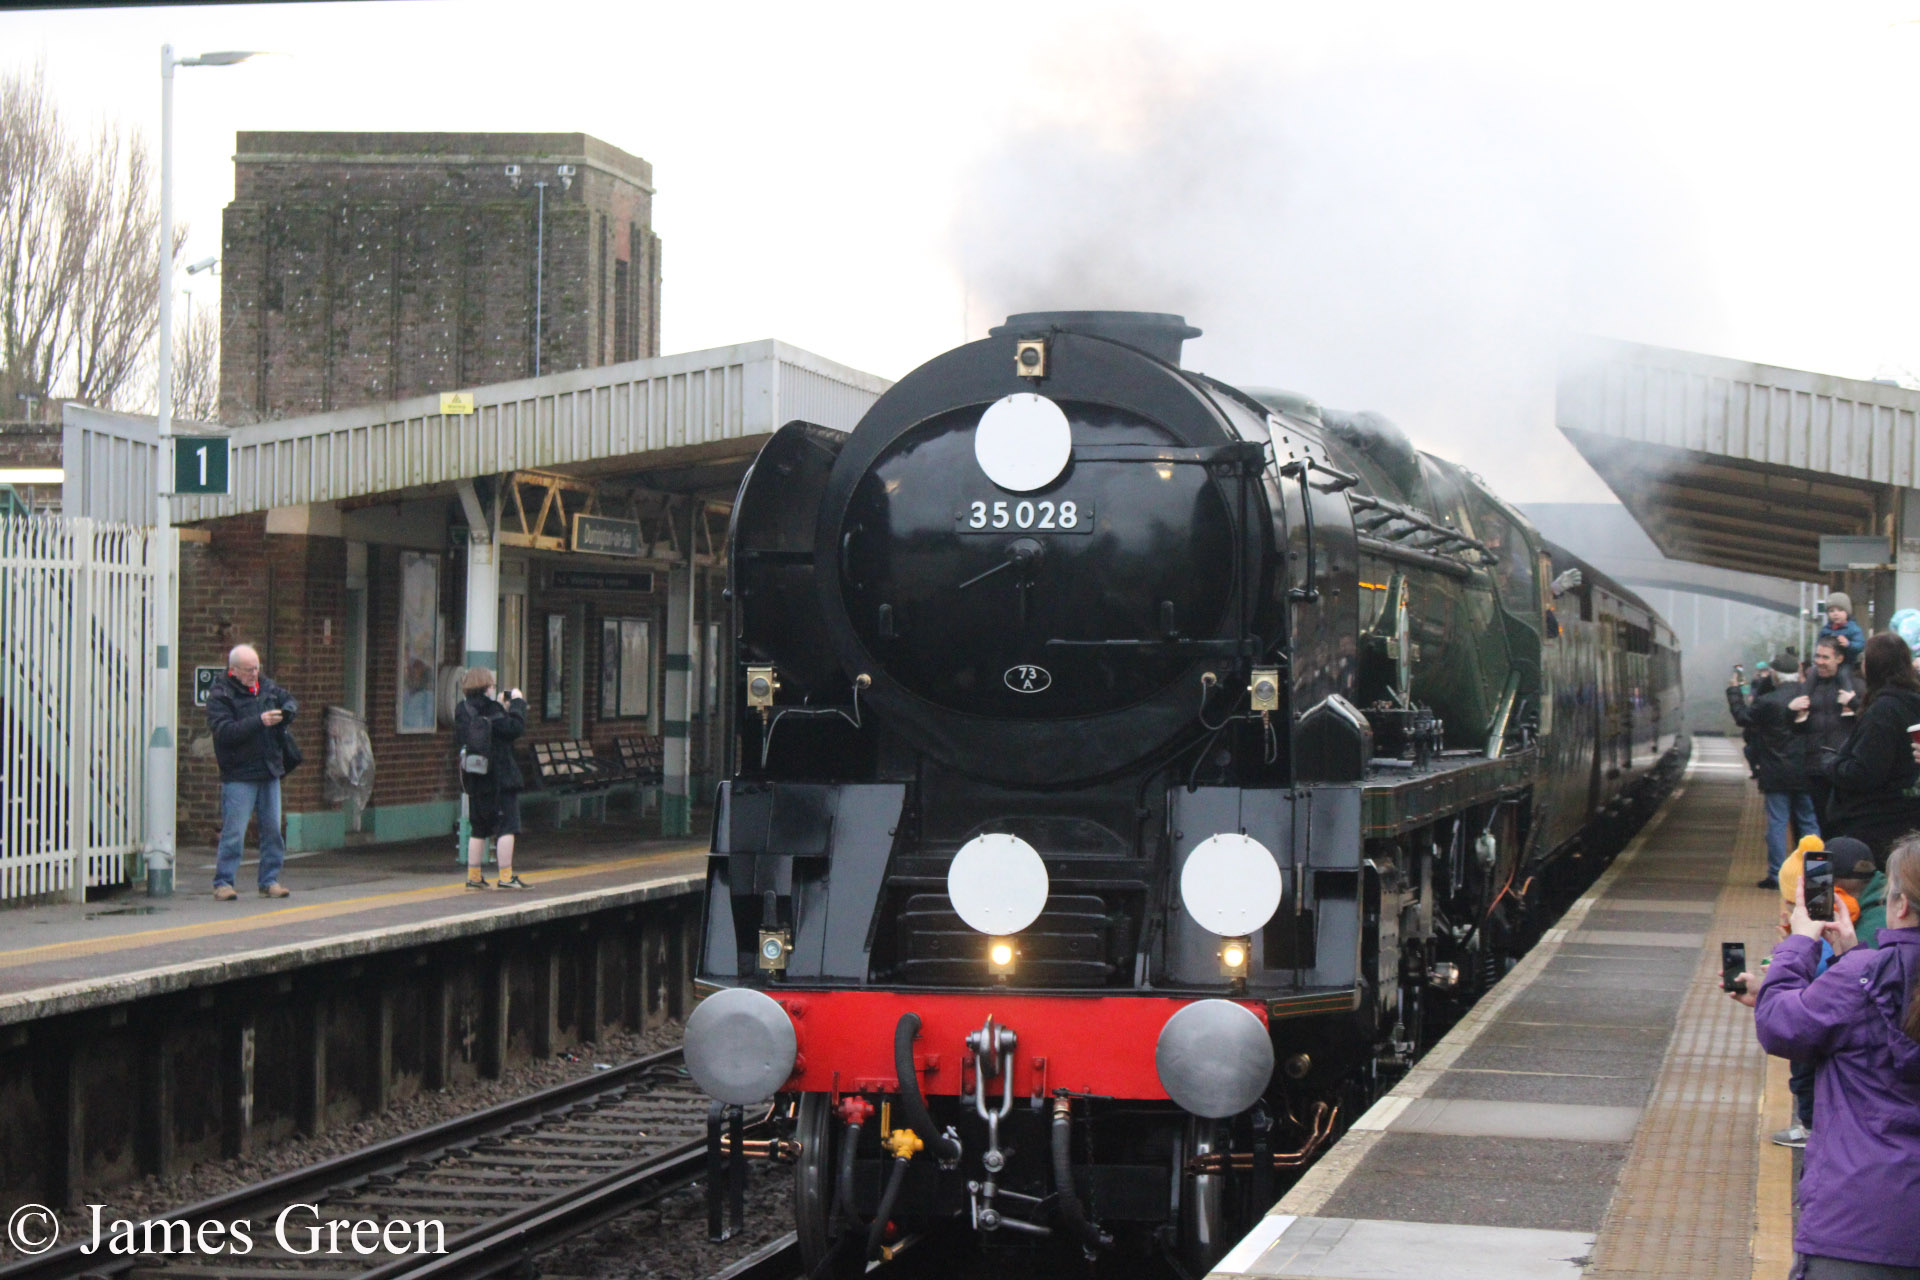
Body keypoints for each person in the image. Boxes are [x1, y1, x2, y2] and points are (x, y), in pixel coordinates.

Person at [1734, 840, 1920, 1278]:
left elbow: (1781, 1025)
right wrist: (1850, 954)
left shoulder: (1863, 977)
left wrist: (1800, 941)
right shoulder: (1864, 971)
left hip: (1859, 1225)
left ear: (1901, 906)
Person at [203, 643, 299, 900]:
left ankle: (269, 880)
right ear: (233, 670)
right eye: (248, 670)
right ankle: (223, 882)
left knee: (273, 829)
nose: (254, 674)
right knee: (234, 831)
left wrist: (287, 712)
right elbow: (224, 732)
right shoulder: (221, 695)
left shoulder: (266, 686)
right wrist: (259, 721)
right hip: (239, 773)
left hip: (268, 768)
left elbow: (288, 699)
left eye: (256, 668)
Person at [1825, 632, 1920, 868]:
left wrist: (1833, 763)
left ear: (1874, 665)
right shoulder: (1911, 702)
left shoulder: (1883, 711)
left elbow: (1865, 772)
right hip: (1906, 819)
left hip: (1874, 826)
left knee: (1859, 886)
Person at [1730, 651, 1820, 889]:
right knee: (1809, 822)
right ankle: (1817, 877)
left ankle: (1777, 874)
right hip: (1805, 769)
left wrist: (1734, 691)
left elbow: (1742, 717)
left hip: (1776, 770)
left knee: (1778, 823)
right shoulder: (1809, 696)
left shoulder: (1768, 701)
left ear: (1775, 675)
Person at [456, 667, 529, 890]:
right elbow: (514, 729)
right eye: (492, 685)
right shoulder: (491, 708)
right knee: (507, 826)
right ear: (486, 686)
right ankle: (506, 876)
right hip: (500, 778)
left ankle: (474, 876)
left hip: (475, 776)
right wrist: (517, 704)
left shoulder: (463, 709)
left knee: (478, 827)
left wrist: (500, 708)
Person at [1796, 638, 1861, 825]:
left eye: (1825, 657)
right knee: (1821, 820)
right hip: (1815, 766)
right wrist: (1791, 713)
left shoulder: (1855, 687)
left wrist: (1854, 703)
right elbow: (1795, 728)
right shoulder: (1808, 688)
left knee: (1843, 820)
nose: (1819, 662)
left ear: (1839, 659)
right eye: (1817, 656)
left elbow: (1869, 720)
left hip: (1843, 766)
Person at [1818, 592, 1867, 669]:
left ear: (1847, 612)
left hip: (1846, 663)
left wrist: (1849, 644)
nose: (1835, 614)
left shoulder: (1853, 629)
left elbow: (1860, 645)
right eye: (1831, 611)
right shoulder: (1825, 630)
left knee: (1844, 674)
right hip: (1826, 663)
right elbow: (1818, 644)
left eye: (1840, 610)